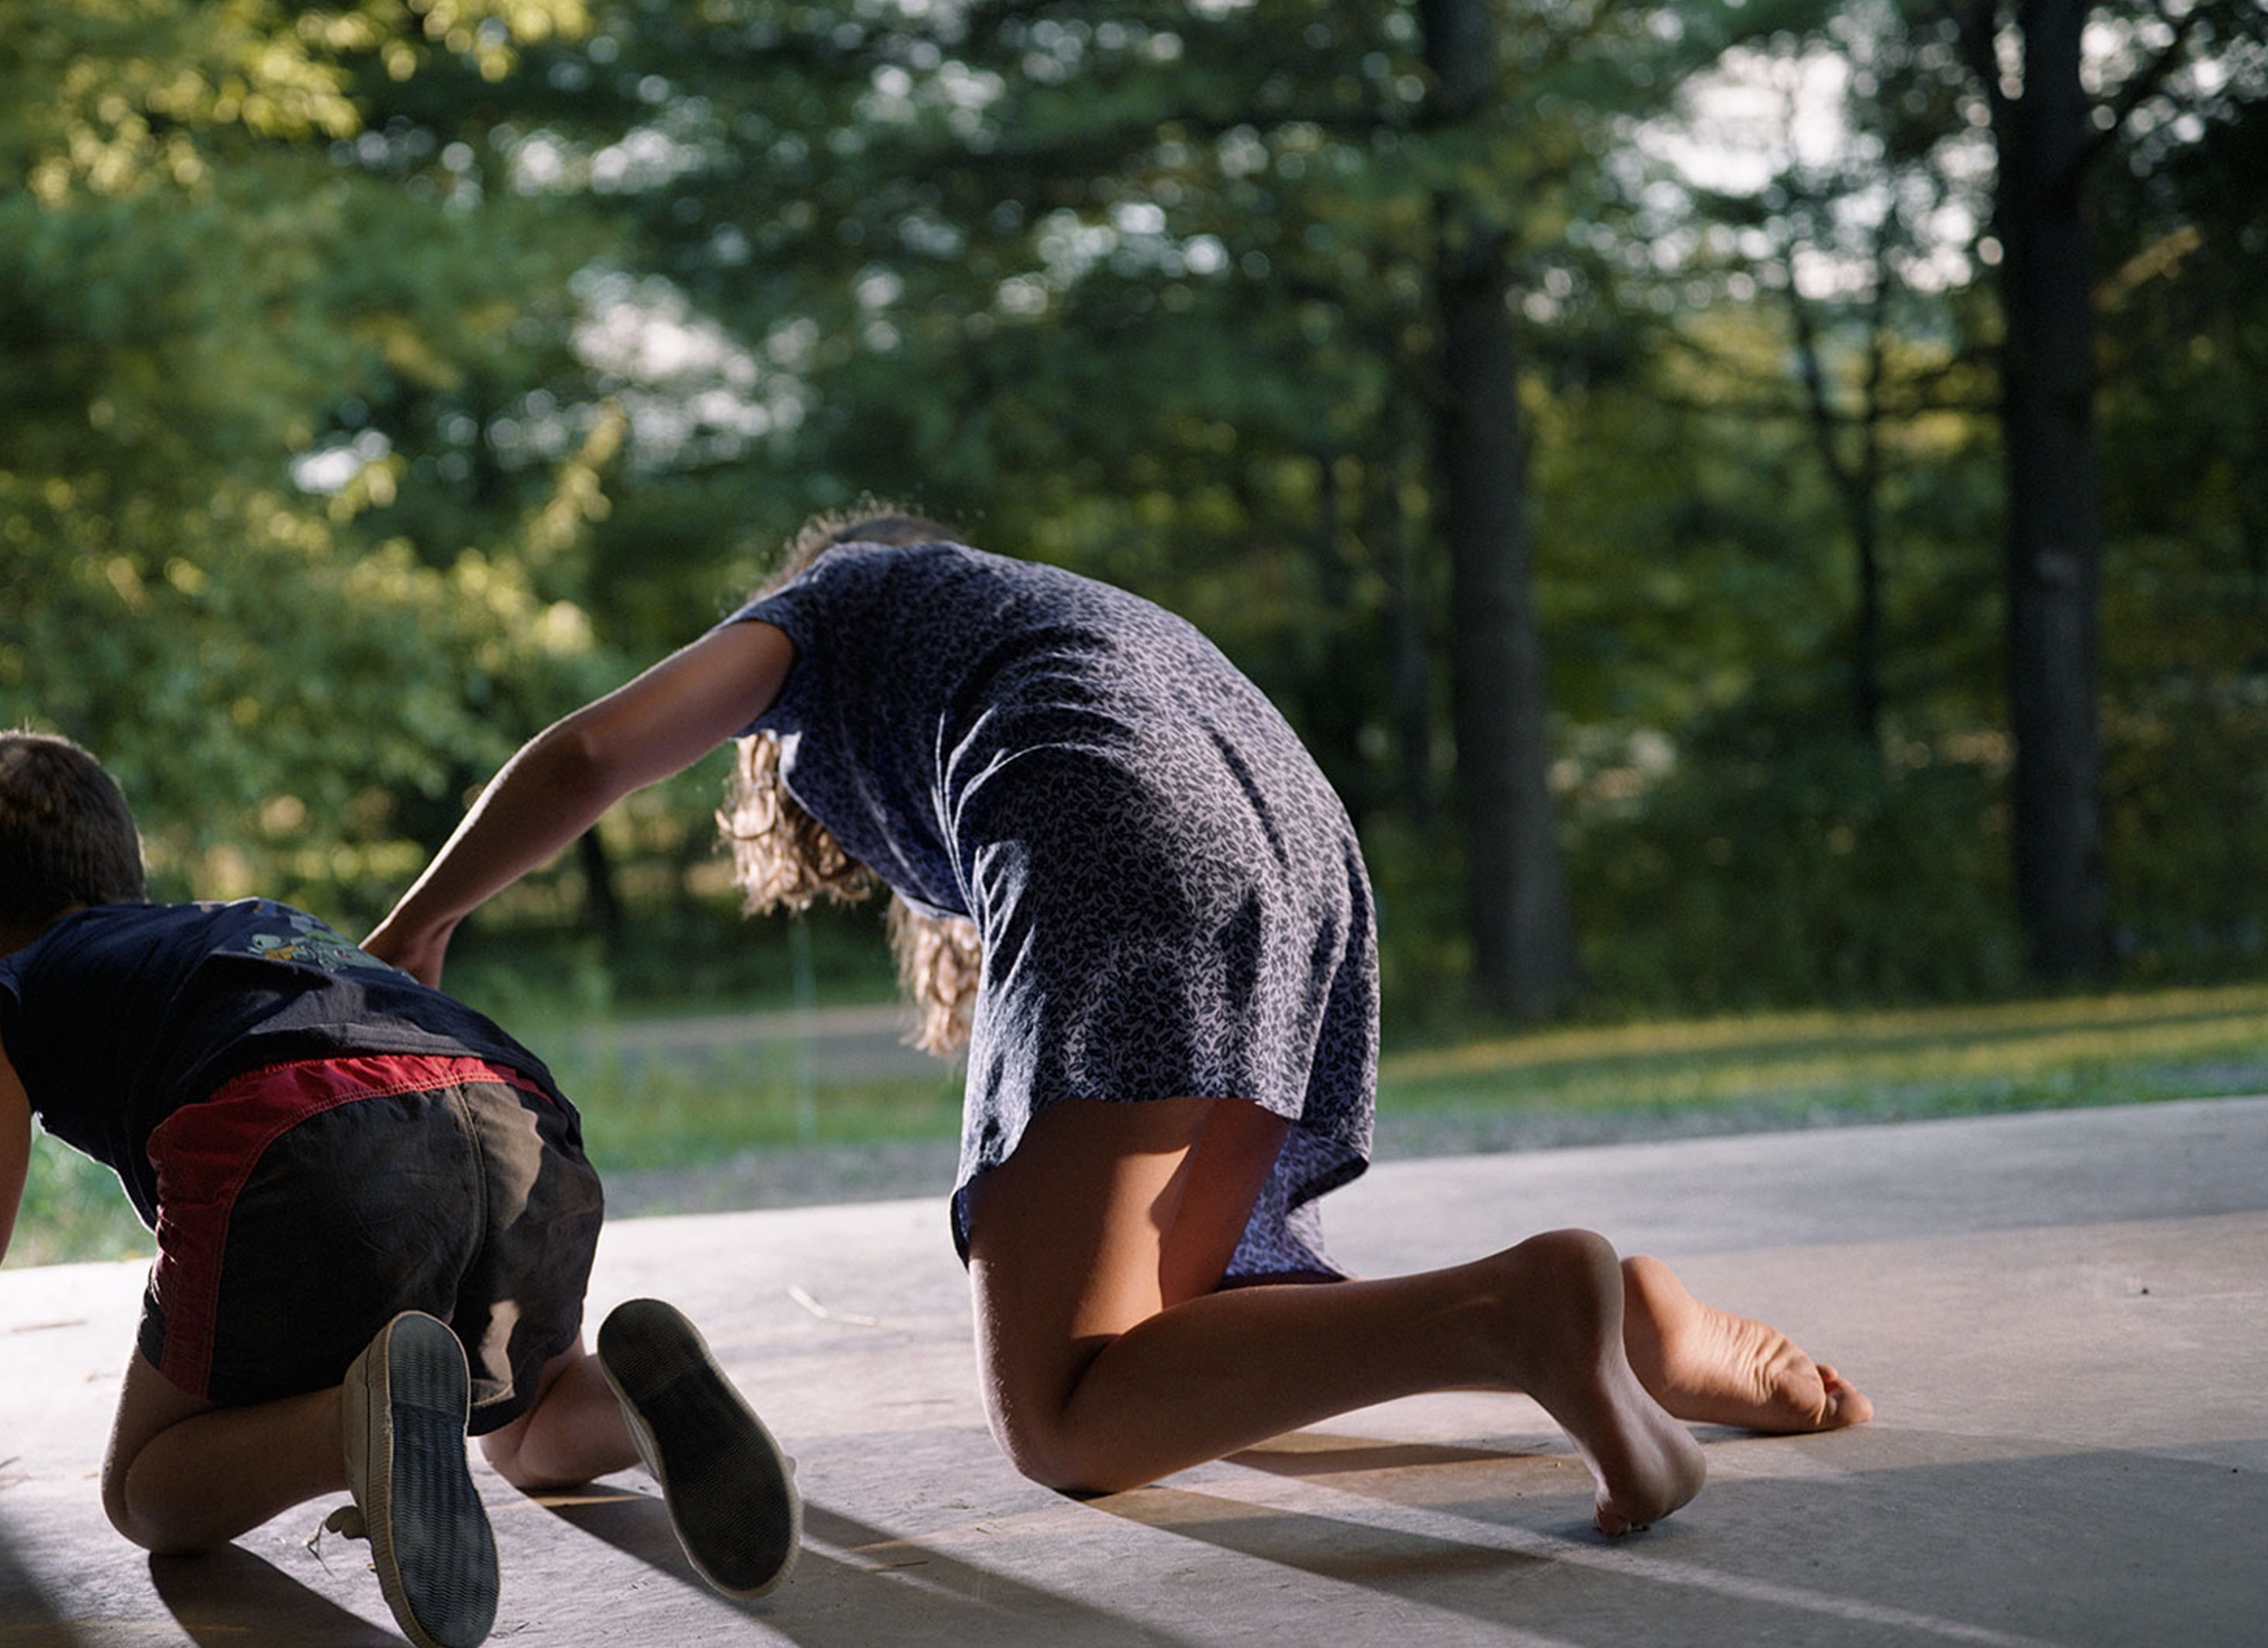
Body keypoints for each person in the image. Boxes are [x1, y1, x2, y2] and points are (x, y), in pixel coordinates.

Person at [365, 514, 1871, 1536]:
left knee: (1070, 1418)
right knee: (1176, 1353)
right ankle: (1627, 1321)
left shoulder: (821, 614)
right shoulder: (1031, 620)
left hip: (1121, 842)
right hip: (1300, 849)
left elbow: (590, 753)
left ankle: (1514, 1308)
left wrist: (424, 916)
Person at [0, 730, 802, 1648]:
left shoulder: (1, 986)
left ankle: (351, 1429)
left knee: (149, 1492)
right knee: (526, 1427)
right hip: (519, 1115)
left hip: (299, 1133)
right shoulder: (231, 934)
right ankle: (636, 1405)